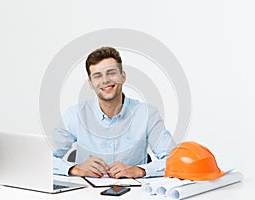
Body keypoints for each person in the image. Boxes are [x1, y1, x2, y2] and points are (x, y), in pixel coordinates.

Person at [53, 47, 175, 178]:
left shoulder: (147, 114)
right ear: (91, 83)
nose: (105, 80)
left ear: (123, 76)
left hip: (133, 193)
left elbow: (174, 161)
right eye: (97, 76)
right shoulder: (75, 115)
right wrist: (74, 169)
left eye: (111, 73)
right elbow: (43, 158)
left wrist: (140, 170)